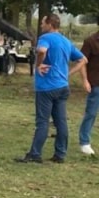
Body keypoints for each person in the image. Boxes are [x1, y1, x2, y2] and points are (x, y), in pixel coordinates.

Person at [15, 14, 87, 163]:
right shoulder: (65, 41)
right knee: (61, 122)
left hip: (46, 87)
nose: (41, 25)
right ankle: (60, 154)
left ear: (50, 24)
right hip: (62, 87)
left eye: (43, 22)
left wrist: (38, 65)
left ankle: (35, 154)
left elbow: (42, 51)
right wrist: (68, 73)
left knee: (42, 121)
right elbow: (83, 59)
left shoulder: (45, 38)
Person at [77, 28, 99, 155]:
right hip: (96, 84)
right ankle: (84, 141)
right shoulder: (90, 41)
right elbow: (81, 62)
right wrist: (85, 80)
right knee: (91, 113)